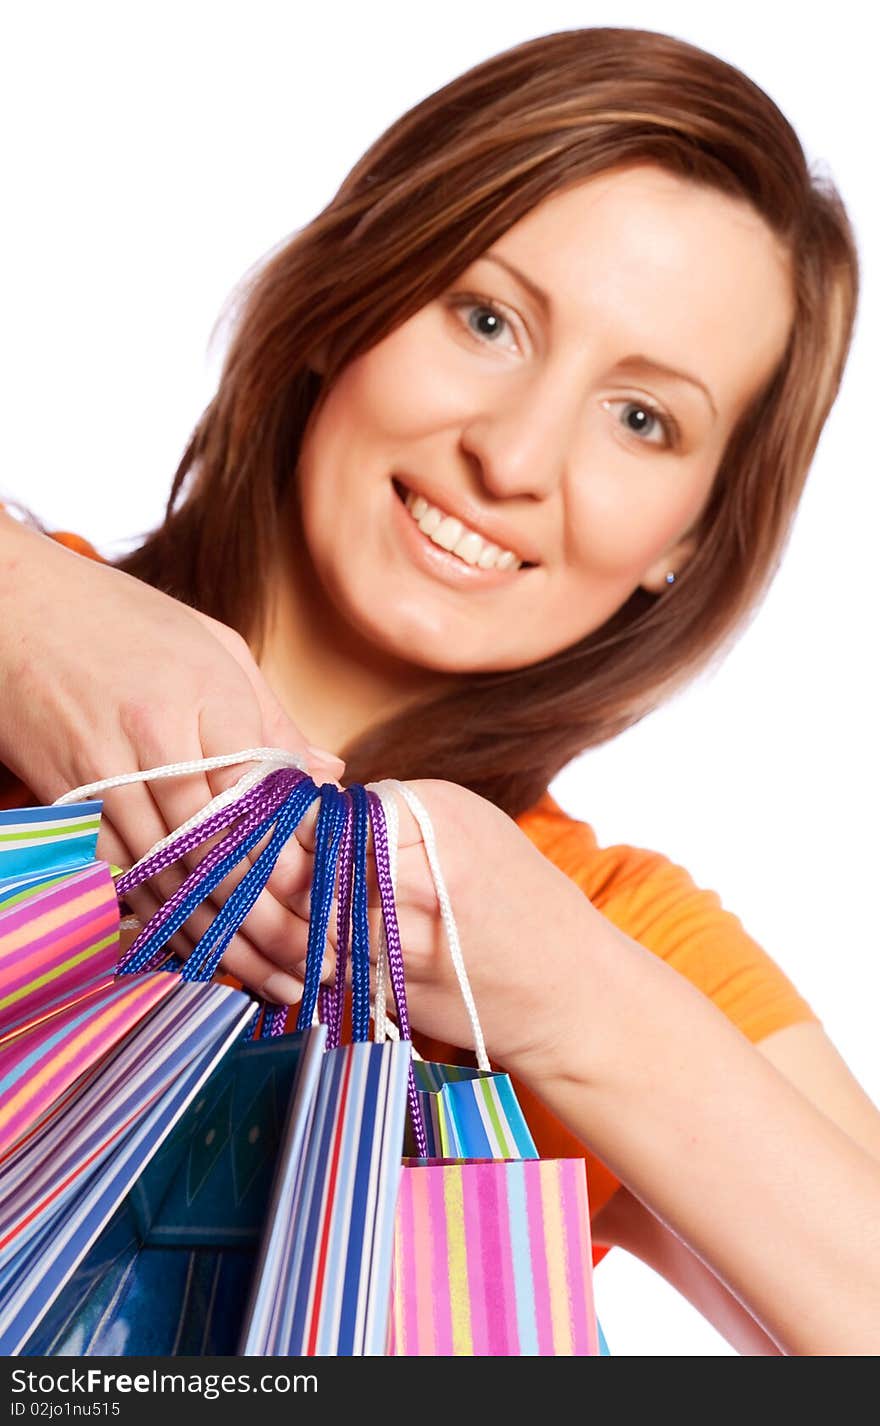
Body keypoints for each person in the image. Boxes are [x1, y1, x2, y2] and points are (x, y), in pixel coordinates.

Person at [1, 26, 878, 1356]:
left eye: (644, 417)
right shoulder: (33, 639)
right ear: (353, 294)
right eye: (486, 317)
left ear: (693, 535)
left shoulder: (607, 937)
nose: (513, 455)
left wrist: (567, 1006)